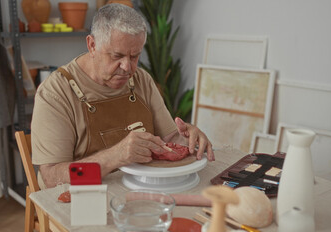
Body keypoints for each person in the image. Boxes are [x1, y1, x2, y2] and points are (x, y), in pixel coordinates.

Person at [31, 3, 215, 189]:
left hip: (137, 189)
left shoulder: (141, 79)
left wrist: (187, 139)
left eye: (134, 56)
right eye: (117, 56)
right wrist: (115, 156)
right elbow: (52, 178)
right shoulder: (56, 92)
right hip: (81, 197)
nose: (127, 67)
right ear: (92, 45)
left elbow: (168, 140)